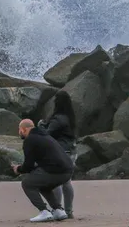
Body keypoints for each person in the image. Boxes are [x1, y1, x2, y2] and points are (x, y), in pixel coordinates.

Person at [11, 119, 74, 222]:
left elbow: (28, 166)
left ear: (23, 129)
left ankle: (44, 211)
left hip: (56, 170)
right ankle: (58, 210)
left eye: (19, 129)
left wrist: (18, 169)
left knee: (27, 183)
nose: (19, 132)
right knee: (42, 185)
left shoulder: (30, 140)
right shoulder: (45, 136)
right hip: (68, 171)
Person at [38, 90, 77, 219]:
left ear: (57, 103)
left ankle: (57, 210)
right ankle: (69, 211)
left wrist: (41, 127)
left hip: (61, 152)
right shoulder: (70, 117)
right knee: (67, 182)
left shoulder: (58, 118)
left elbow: (48, 134)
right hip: (72, 151)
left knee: (57, 182)